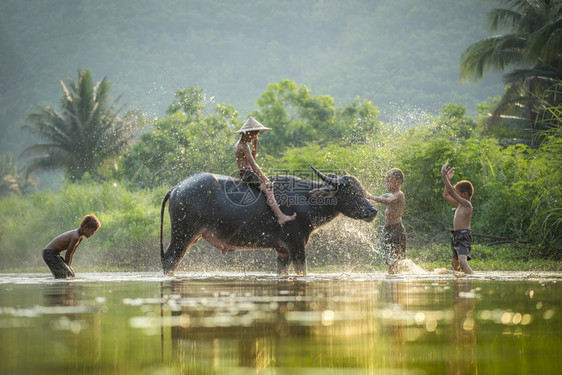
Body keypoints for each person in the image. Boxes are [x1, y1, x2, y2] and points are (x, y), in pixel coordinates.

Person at [234, 116, 296, 225]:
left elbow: (253, 157)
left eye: (256, 135)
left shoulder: (241, 144)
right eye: (254, 135)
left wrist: (255, 143)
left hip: (246, 172)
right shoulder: (243, 146)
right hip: (247, 174)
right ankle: (280, 216)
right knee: (268, 189)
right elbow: (253, 165)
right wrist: (265, 179)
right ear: (247, 133)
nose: (254, 137)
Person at [366, 168, 406, 274]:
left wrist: (370, 195)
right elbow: (373, 201)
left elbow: (387, 201)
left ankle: (396, 278)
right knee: (388, 259)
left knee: (395, 259)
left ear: (399, 182)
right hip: (388, 230)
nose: (387, 184)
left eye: (390, 181)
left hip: (397, 230)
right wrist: (363, 200)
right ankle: (392, 276)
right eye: (386, 181)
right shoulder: (387, 195)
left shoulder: (399, 195)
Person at [42, 214, 101, 279]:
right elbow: (68, 253)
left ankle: (62, 285)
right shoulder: (75, 236)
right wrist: (67, 266)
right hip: (49, 254)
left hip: (53, 254)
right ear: (85, 227)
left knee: (71, 274)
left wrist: (68, 266)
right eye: (92, 231)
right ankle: (59, 287)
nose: (92, 234)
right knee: (65, 274)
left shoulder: (79, 238)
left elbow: (71, 254)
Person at [441, 163, 473, 274]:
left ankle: (471, 279)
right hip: (456, 235)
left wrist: (444, 177)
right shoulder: (460, 204)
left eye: (458, 194)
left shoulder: (466, 204)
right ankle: (460, 284)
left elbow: (451, 192)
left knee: (462, 262)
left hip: (464, 235)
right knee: (455, 264)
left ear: (464, 194)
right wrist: (448, 180)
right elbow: (446, 195)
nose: (456, 195)